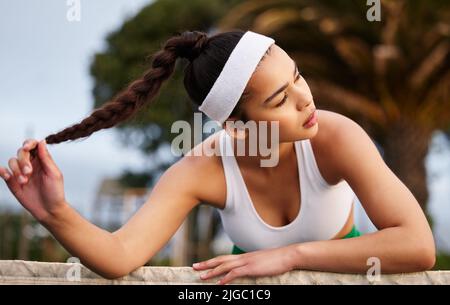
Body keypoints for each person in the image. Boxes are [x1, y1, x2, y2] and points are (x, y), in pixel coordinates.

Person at [0, 30, 435, 285]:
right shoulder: (201, 170)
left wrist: (290, 256)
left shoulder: (335, 136)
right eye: (281, 98)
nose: (306, 100)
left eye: (297, 75)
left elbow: (417, 245)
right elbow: (120, 256)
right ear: (236, 126)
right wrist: (54, 212)